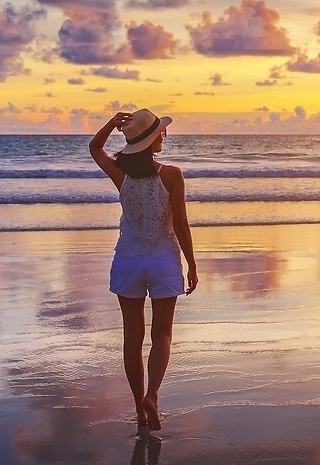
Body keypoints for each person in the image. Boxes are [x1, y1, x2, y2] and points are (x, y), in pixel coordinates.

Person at [89, 109, 198, 433]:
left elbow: (95, 148)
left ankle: (139, 409)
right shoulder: (172, 174)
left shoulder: (119, 173)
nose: (164, 136)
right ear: (154, 139)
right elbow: (180, 223)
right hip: (163, 259)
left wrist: (111, 123)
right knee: (162, 333)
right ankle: (152, 396)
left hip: (128, 259)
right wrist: (192, 263)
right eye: (161, 133)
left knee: (132, 338)